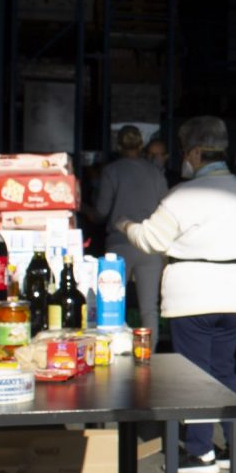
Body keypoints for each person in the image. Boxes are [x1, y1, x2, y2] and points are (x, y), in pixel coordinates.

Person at [117, 116, 236, 473]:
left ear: (195, 153)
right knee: (223, 369)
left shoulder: (184, 195)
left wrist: (125, 225)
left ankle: (200, 452)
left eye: (184, 152)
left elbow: (151, 239)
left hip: (193, 294)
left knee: (195, 376)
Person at [92, 125, 170, 346]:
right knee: (149, 309)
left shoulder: (111, 171)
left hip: (119, 246)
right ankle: (149, 355)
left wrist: (85, 209)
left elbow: (101, 212)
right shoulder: (155, 173)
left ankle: (115, 350)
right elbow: (166, 208)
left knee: (112, 304)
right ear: (141, 145)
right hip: (149, 245)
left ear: (118, 145)